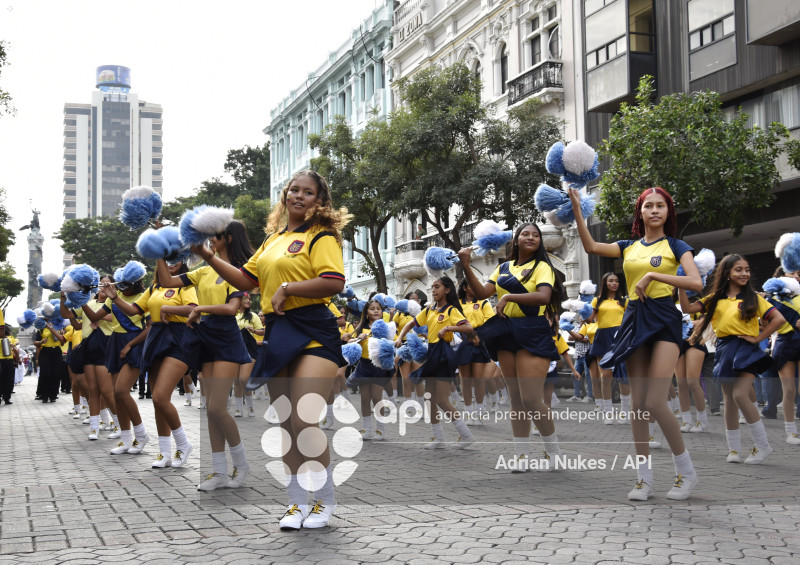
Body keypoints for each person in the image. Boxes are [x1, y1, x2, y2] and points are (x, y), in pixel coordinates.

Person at [193, 170, 349, 530]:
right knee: (286, 424)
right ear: (285, 195)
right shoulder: (272, 239)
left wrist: (288, 287)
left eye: (307, 192)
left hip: (313, 329)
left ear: (318, 201)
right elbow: (247, 280)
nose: (298, 196)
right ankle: (296, 504)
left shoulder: (321, 235)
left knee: (305, 419)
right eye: (293, 190)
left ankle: (324, 502)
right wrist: (207, 256)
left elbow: (334, 281)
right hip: (279, 332)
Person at [569, 186, 703, 501]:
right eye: (648, 206)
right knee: (637, 406)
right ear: (640, 213)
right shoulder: (628, 246)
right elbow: (589, 246)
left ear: (668, 212)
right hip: (634, 319)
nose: (654, 210)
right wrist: (577, 208)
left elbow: (695, 282)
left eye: (660, 206)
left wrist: (655, 276)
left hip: (664, 319)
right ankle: (644, 478)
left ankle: (686, 472)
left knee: (655, 401)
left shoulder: (676, 245)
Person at [458, 222, 565, 472]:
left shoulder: (542, 267)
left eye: (536, 235)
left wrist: (508, 297)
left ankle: (553, 450)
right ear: (515, 240)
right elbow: (483, 293)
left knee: (531, 398)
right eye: (525, 234)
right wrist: (465, 265)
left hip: (533, 331)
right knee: (516, 399)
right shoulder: (503, 267)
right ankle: (521, 455)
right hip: (506, 332)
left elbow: (543, 297)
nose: (531, 237)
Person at [156, 220, 254, 490]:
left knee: (216, 408)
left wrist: (199, 309)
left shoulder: (238, 272)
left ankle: (241, 465)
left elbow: (232, 309)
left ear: (229, 238)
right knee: (210, 412)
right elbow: (166, 281)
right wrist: (160, 248)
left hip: (225, 337)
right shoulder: (202, 272)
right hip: (204, 336)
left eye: (215, 236)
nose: (210, 240)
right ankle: (220, 473)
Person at [680, 254, 785, 463]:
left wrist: (758, 338)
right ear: (727, 273)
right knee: (728, 400)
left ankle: (763, 446)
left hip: (746, 350)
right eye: (739, 269)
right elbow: (687, 309)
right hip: (724, 349)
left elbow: (778, 319)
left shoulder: (754, 298)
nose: (744, 273)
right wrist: (681, 284)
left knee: (739, 395)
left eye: (746, 269)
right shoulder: (715, 299)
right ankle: (734, 450)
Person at [106, 258, 198, 468]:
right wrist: (114, 298)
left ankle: (183, 444)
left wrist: (168, 308)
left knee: (159, 396)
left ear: (183, 262)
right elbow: (134, 310)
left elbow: (194, 309)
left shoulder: (185, 284)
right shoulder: (154, 287)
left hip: (178, 338)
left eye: (175, 259)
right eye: (166, 260)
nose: (170, 263)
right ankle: (164, 453)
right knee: (158, 401)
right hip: (156, 339)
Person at [395, 275, 475, 448]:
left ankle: (466, 435)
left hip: (444, 354)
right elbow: (411, 324)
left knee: (442, 400)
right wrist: (400, 337)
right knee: (429, 398)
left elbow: (469, 327)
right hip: (432, 353)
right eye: (432, 287)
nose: (433, 290)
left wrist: (448, 328)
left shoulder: (451, 310)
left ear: (447, 290)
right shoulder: (430, 309)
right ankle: (438, 438)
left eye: (437, 287)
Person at [85, 265, 150, 455]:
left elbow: (149, 328)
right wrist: (80, 301)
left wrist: (130, 345)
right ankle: (126, 439)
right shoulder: (117, 297)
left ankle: (141, 434)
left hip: (134, 343)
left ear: (136, 282)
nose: (122, 288)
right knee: (116, 394)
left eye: (125, 285)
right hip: (115, 342)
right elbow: (95, 316)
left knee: (121, 391)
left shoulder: (143, 297)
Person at [75, 278, 119, 440]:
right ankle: (94, 428)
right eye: (101, 283)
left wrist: (98, 317)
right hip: (89, 346)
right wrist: (65, 296)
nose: (103, 286)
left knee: (107, 391)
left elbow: (118, 318)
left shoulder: (114, 301)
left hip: (105, 346)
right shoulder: (91, 302)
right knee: (92, 390)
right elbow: (70, 316)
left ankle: (119, 424)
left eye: (107, 283)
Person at [348, 299, 396, 440]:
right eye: (372, 309)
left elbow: (393, 341)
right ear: (367, 313)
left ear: (382, 312)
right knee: (365, 398)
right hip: (364, 365)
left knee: (377, 398)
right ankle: (367, 429)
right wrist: (359, 338)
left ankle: (380, 429)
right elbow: (349, 341)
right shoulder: (362, 328)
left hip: (378, 366)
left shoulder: (385, 328)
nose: (376, 311)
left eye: (378, 309)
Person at [586, 273, 630, 424]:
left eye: (616, 281)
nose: (614, 283)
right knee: (605, 375)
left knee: (622, 374)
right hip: (603, 337)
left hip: (620, 337)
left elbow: (629, 319)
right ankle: (608, 412)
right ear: (605, 283)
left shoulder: (624, 300)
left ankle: (625, 412)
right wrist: (581, 310)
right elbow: (589, 319)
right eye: (611, 281)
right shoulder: (597, 301)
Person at [456, 278, 495, 425]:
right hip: (464, 340)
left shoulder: (484, 302)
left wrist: (479, 335)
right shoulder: (458, 304)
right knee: (465, 380)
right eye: (471, 285)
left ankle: (479, 413)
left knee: (479, 379)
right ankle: (468, 413)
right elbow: (454, 321)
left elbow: (490, 321)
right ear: (465, 288)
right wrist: (467, 334)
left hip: (480, 340)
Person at [234, 292, 264, 418]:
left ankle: (250, 406)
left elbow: (262, 331)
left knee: (243, 379)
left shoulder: (252, 316)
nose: (248, 301)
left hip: (249, 349)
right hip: (234, 349)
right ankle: (238, 409)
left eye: (250, 299)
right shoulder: (232, 315)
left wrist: (253, 330)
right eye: (245, 298)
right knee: (236, 380)